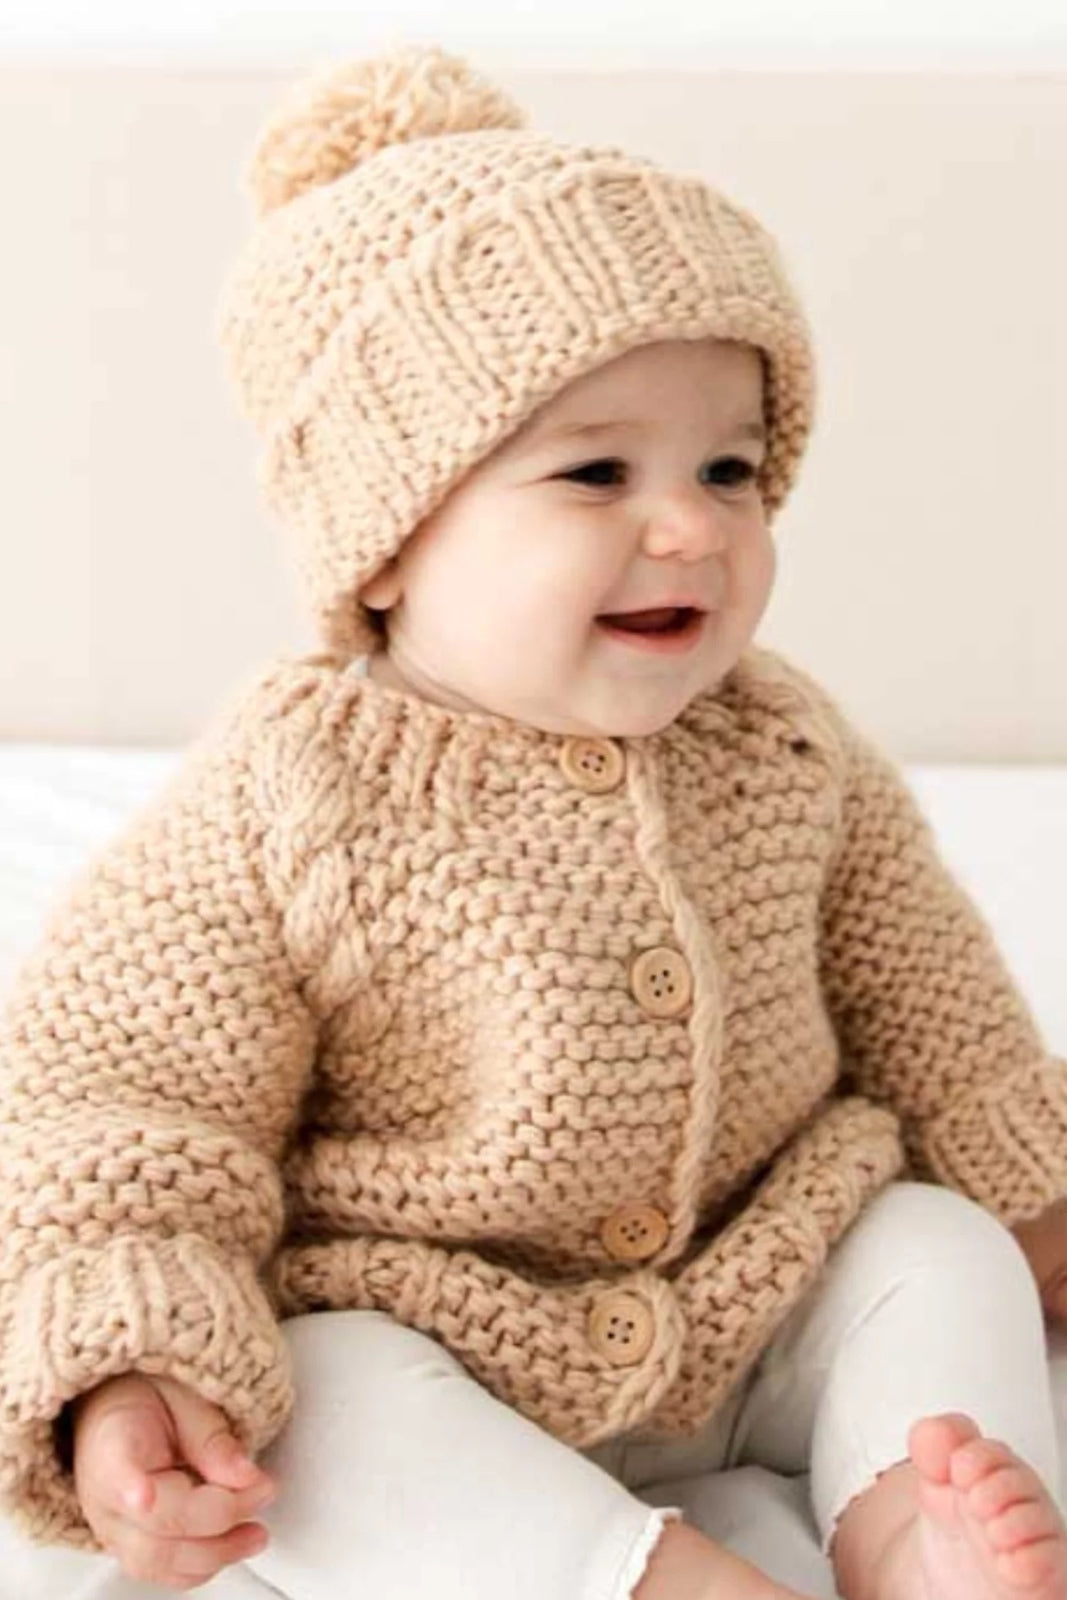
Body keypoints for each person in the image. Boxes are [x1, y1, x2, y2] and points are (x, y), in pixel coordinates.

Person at [1, 41, 1067, 1600]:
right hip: (441, 1338)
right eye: (595, 472)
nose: (693, 523)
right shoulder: (290, 793)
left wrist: (1032, 1206)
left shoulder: (783, 740)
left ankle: (912, 1534)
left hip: (756, 1295)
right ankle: (644, 1578)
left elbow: (934, 1010)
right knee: (313, 1408)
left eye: (731, 466)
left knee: (928, 1245)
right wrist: (130, 1356)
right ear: (385, 542)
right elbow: (121, 1105)